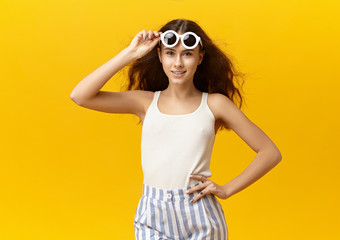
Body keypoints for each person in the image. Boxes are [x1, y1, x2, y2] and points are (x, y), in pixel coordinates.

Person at [70, 18, 282, 240]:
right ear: (159, 55)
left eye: (187, 54)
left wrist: (227, 190)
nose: (178, 63)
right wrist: (131, 53)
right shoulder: (145, 103)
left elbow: (269, 152)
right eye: (170, 53)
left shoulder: (215, 104)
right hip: (152, 213)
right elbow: (80, 95)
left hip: (199, 211)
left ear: (200, 57)